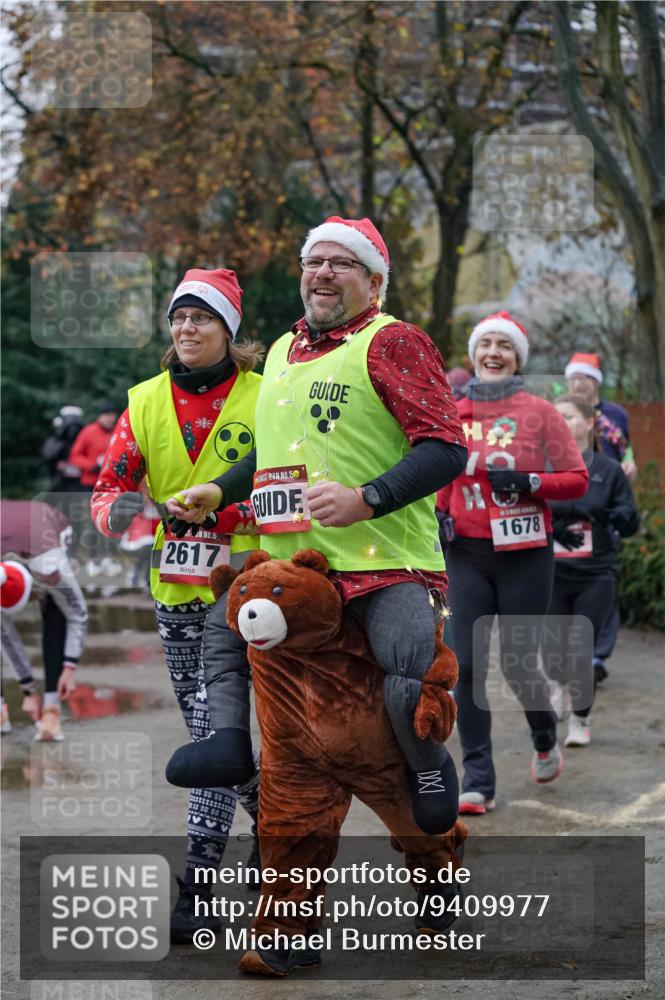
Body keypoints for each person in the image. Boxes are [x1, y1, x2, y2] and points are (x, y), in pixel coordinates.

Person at [166, 216, 468, 838]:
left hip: (382, 560)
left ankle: (428, 765)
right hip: (294, 567)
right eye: (314, 262)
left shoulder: (394, 341)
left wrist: (368, 498)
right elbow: (274, 449)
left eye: (341, 263)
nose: (323, 273)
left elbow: (445, 447)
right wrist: (217, 490)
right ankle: (228, 744)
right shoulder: (282, 348)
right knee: (225, 626)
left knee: (408, 673)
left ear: (374, 282)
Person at [91, 267, 264, 944]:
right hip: (179, 598)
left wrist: (224, 514)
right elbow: (107, 489)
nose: (187, 328)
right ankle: (271, 824)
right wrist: (119, 512)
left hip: (257, 592)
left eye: (201, 317)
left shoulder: (266, 394)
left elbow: (290, 485)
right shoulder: (144, 401)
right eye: (179, 318)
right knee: (211, 738)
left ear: (228, 329)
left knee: (223, 740)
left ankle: (198, 888)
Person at [438, 311, 589, 815]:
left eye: (505, 345)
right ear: (474, 355)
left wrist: (530, 482)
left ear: (518, 358)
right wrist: (440, 513)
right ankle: (478, 778)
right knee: (466, 666)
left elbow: (576, 479)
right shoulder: (452, 411)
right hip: (467, 554)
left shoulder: (540, 412)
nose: (494, 353)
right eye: (486, 345)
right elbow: (440, 472)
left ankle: (544, 735)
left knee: (519, 665)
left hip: (525, 555)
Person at [543, 395, 639, 747]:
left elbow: (630, 519)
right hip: (551, 572)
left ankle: (580, 720)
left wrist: (619, 517)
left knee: (582, 648)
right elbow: (525, 513)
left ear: (588, 423)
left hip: (596, 573)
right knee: (553, 652)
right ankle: (558, 686)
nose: (562, 422)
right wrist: (551, 528)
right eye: (556, 416)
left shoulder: (608, 471)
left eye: (569, 416)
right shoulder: (542, 466)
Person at [564, 351, 636, 680]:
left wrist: (629, 461)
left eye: (586, 379)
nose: (579, 385)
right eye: (575, 379)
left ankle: (598, 655)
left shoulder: (616, 415)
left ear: (596, 383)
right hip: (568, 499)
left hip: (607, 498)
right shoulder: (560, 411)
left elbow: (627, 446)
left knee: (603, 575)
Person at [0, 500, 88, 740]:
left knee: (57, 609)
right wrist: (28, 688)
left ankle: (52, 709)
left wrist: (69, 668)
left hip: (46, 533)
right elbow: (4, 634)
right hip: (15, 534)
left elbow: (78, 614)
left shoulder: (50, 567)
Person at [42, 405, 84, 493]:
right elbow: (49, 455)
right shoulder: (56, 440)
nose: (73, 429)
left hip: (80, 475)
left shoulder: (83, 436)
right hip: (61, 476)